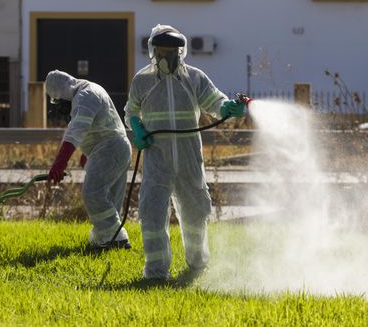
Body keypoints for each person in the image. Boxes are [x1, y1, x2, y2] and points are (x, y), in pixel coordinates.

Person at [125, 24, 246, 280]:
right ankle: (156, 272)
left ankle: (198, 264)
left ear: (180, 52)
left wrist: (227, 108)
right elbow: (131, 111)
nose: (166, 56)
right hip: (157, 158)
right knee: (152, 213)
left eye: (172, 51)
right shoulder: (143, 80)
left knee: (195, 212)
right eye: (161, 50)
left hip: (189, 157)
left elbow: (214, 100)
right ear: (153, 51)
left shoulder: (194, 77)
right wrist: (137, 128)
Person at [46, 70, 132, 250]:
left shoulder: (85, 96)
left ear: (65, 90)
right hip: (113, 149)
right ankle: (104, 240)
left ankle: (117, 239)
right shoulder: (89, 91)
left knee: (93, 193)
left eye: (58, 99)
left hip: (110, 150)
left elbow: (77, 129)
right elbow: (98, 125)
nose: (59, 105)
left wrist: (60, 162)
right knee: (109, 199)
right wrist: (86, 154)